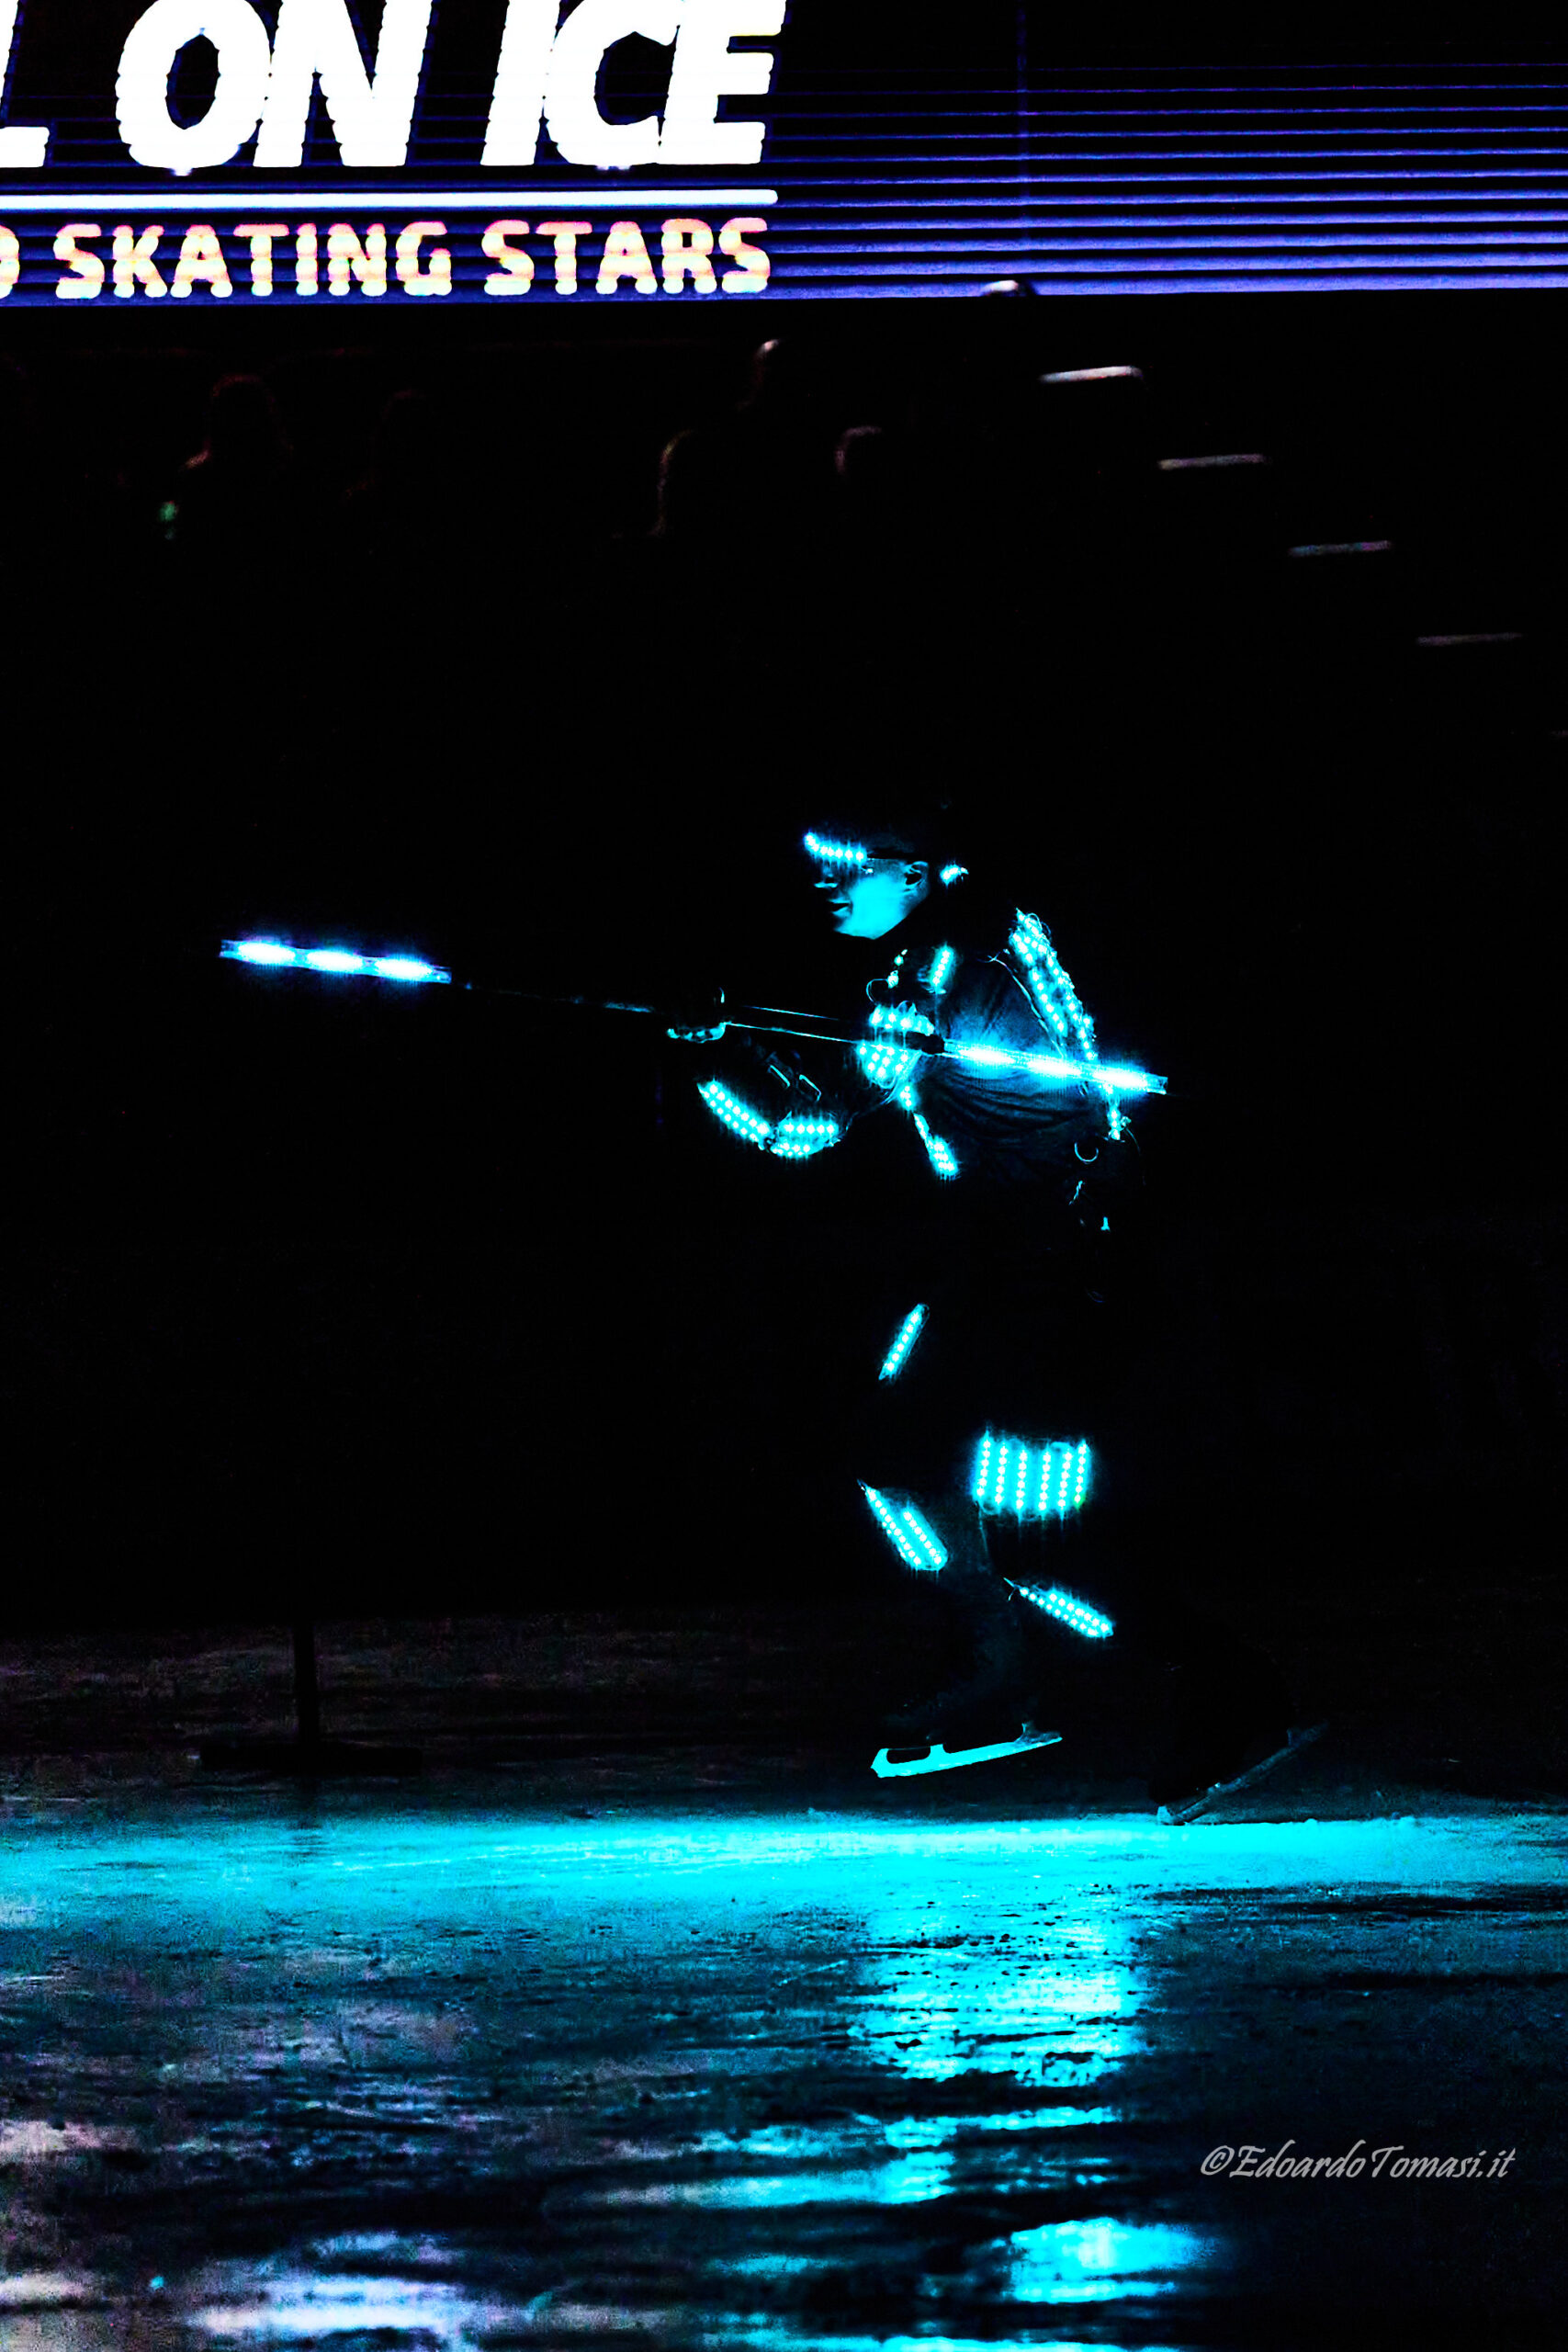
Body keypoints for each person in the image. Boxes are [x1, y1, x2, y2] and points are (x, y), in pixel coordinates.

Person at [669, 797, 1297, 1808]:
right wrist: (731, 1043)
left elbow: (804, 1126)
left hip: (1063, 1270)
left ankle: (1232, 1685)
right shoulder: (951, 943)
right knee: (894, 1453)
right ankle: (996, 1668)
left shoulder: (949, 956)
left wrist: (708, 1052)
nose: (827, 881)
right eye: (820, 862)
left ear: (916, 870)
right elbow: (840, 1091)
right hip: (1000, 1263)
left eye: (850, 862)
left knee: (1043, 1546)